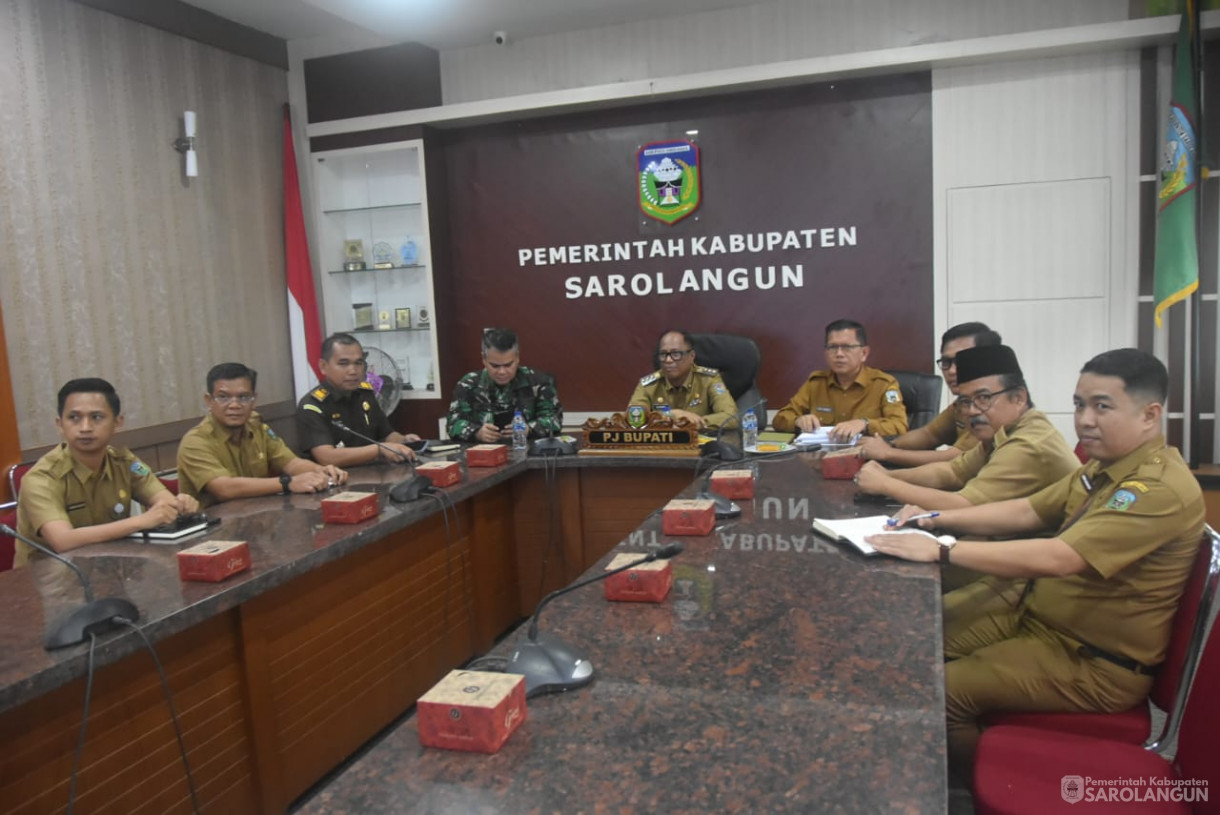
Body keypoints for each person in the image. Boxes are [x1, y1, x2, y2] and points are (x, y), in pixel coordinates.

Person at [865, 349, 1204, 779]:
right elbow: (1028, 510)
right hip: (1038, 614)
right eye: (1080, 405)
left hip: (1092, 660)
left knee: (941, 693)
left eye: (1102, 406)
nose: (1084, 419)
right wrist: (933, 519)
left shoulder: (1155, 489)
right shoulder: (1102, 467)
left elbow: (1061, 558)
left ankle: (973, 792)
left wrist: (942, 549)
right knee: (916, 641)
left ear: (1149, 415)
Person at [855, 344, 1078, 510]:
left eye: (983, 398)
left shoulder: (1028, 444)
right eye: (965, 401)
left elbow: (963, 504)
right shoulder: (1004, 432)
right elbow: (951, 472)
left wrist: (886, 485)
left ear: (1018, 398)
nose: (971, 410)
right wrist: (889, 475)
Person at [14, 378, 200, 567]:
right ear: (59, 424)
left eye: (96, 417)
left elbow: (163, 500)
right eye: (74, 418)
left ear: (117, 422)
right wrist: (141, 521)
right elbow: (63, 541)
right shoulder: (41, 478)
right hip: (46, 580)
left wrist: (180, 504)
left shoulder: (125, 462)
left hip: (108, 568)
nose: (85, 428)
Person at [177, 363, 348, 508]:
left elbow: (291, 463)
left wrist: (321, 471)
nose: (234, 405)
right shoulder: (195, 442)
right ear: (209, 400)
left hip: (257, 517)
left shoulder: (257, 427)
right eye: (223, 397)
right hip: (213, 534)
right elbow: (224, 489)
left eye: (243, 397)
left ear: (254, 399)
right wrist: (287, 483)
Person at [857, 322, 1001, 466]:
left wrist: (887, 453)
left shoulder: (995, 404)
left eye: (961, 361)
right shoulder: (962, 403)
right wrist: (889, 445)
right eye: (946, 362)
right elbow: (929, 434)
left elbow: (956, 459)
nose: (951, 371)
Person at [771, 319, 907, 442]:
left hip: (866, 458)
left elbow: (899, 426)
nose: (839, 354)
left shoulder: (883, 384)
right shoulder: (816, 383)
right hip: (821, 460)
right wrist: (798, 421)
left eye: (847, 347)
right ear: (826, 352)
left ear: (864, 353)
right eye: (833, 347)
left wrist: (864, 424)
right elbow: (780, 419)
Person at [296, 333, 421, 466]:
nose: (353, 371)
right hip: (335, 480)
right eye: (343, 364)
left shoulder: (364, 393)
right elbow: (327, 457)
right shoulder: (312, 405)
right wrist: (379, 449)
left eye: (358, 363)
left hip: (374, 475)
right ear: (323, 366)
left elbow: (386, 434)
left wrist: (403, 440)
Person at [446, 328, 563, 443]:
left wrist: (529, 429)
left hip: (527, 452)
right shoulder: (468, 384)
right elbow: (452, 424)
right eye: (495, 366)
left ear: (517, 357)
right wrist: (476, 432)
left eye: (508, 365)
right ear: (484, 359)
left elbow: (555, 420)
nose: (502, 372)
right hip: (482, 455)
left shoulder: (538, 381)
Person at [627, 329, 738, 430]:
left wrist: (696, 423)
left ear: (691, 356)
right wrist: (670, 415)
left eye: (676, 354)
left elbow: (732, 418)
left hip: (701, 445)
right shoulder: (649, 385)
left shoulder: (708, 380)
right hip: (661, 447)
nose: (668, 360)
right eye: (663, 354)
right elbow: (633, 418)